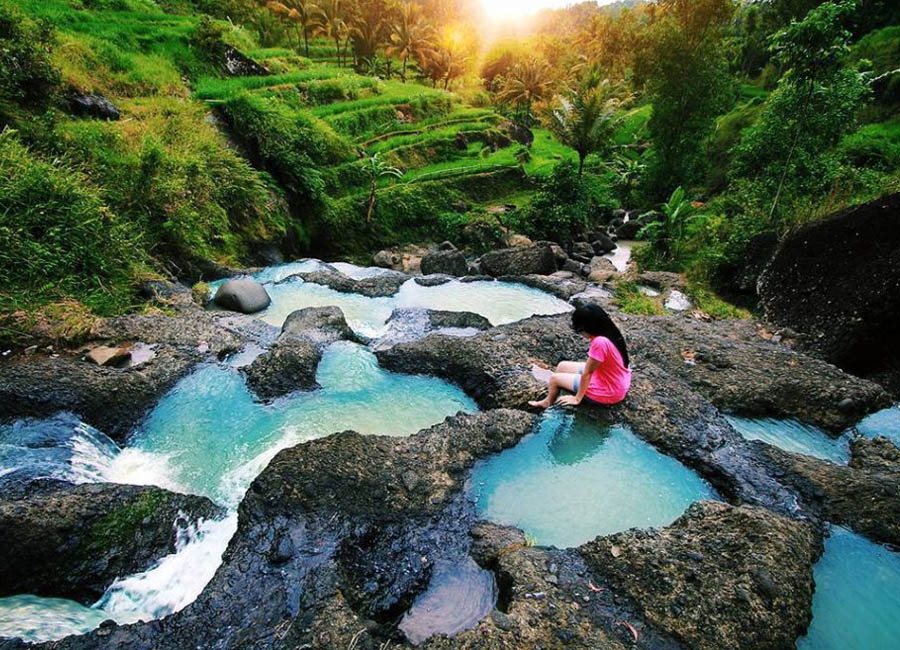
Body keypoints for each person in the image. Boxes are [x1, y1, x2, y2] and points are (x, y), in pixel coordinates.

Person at [528, 303, 631, 408]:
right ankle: (557, 392)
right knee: (562, 366)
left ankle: (547, 402)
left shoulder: (600, 342)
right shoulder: (610, 331)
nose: (580, 333)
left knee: (554, 379)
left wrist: (577, 398)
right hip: (617, 379)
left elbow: (588, 372)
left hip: (608, 390)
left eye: (580, 330)